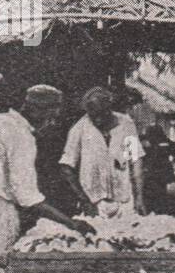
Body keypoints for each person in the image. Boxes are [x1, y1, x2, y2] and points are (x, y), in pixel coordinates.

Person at [0, 84, 94, 269]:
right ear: (36, 110)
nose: (51, 123)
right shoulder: (21, 135)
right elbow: (27, 195)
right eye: (50, 117)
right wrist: (71, 223)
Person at [59, 87, 147, 218]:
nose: (98, 120)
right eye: (93, 116)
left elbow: (136, 161)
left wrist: (139, 198)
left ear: (109, 109)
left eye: (101, 114)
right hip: (94, 203)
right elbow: (66, 167)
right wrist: (84, 200)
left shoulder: (126, 124)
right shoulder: (80, 128)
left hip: (124, 201)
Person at [141, 124, 175, 215]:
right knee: (160, 193)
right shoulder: (164, 141)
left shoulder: (146, 143)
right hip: (160, 172)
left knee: (152, 193)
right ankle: (160, 210)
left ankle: (155, 210)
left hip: (152, 172)